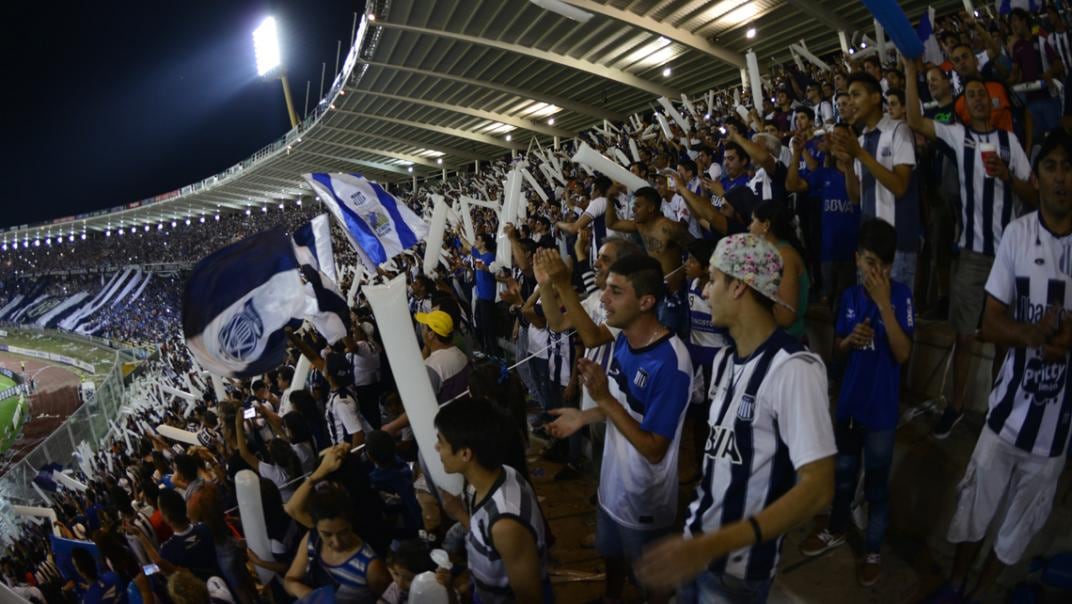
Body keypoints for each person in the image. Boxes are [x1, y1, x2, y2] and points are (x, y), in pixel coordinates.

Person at [635, 233, 836, 603]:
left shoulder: (794, 368)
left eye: (712, 279)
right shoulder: (728, 360)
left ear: (740, 287)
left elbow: (819, 487)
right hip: (699, 552)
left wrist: (716, 543)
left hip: (734, 573)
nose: (704, 290)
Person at [935, 130, 1072, 603]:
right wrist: (1034, 335)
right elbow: (989, 323)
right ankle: (955, 586)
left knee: (1017, 529)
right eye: (1051, 166)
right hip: (1006, 416)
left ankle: (979, 593)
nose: (1060, 177)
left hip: (1055, 431)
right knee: (974, 510)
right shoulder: (1017, 233)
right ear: (1035, 176)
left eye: (1068, 167)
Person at [547, 254, 692, 604]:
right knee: (611, 555)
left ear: (646, 301)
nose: (604, 299)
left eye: (615, 291)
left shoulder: (671, 364)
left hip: (643, 497)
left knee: (651, 580)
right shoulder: (626, 339)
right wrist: (585, 417)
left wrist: (602, 400)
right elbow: (625, 408)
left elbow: (654, 447)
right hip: (613, 485)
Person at [904, 59, 1037, 439]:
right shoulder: (957, 136)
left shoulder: (1010, 142)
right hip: (973, 256)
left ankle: (998, 403)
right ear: (965, 105)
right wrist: (911, 75)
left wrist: (1009, 176)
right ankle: (957, 405)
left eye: (984, 94)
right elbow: (915, 121)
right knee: (964, 336)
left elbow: (1032, 193)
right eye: (972, 94)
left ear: (993, 103)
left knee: (1003, 338)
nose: (978, 99)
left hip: (1010, 257)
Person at [798, 219, 913, 586]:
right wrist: (849, 343)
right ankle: (837, 528)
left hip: (880, 410)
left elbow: (903, 352)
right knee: (843, 475)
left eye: (881, 264)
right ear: (856, 258)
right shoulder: (847, 297)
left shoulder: (901, 296)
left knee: (877, 484)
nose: (873, 270)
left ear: (891, 266)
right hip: (849, 405)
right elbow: (836, 356)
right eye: (867, 261)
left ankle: (873, 549)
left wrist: (884, 307)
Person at [435, 397, 550, 604]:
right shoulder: (501, 474)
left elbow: (530, 597)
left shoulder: (506, 523)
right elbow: (490, 545)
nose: (436, 448)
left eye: (441, 442)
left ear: (465, 453)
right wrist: (461, 514)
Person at [832, 72, 919, 290]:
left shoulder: (899, 130)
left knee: (895, 315)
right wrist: (850, 166)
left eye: (855, 95)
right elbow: (855, 197)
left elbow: (900, 187)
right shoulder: (860, 141)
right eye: (848, 96)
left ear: (874, 97)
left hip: (898, 245)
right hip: (869, 247)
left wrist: (860, 155)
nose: (850, 102)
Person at [284, 446, 391, 603]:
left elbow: (292, 508)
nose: (336, 542)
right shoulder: (317, 536)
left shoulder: (369, 564)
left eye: (342, 533)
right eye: (327, 534)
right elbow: (290, 580)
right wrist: (308, 594)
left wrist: (320, 471)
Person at [749, 200, 809, 339]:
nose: (749, 227)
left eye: (753, 221)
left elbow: (785, 317)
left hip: (788, 345)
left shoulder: (785, 257)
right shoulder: (772, 253)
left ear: (766, 225)